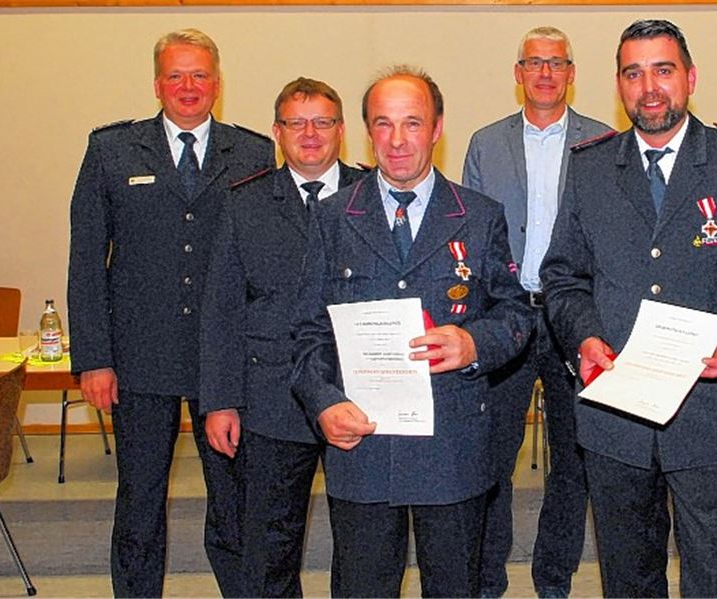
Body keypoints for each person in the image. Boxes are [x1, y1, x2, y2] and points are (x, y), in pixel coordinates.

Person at [540, 19, 717, 597]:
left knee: (714, 575)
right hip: (615, 417)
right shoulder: (589, 167)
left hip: (708, 415)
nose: (649, 87)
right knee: (628, 578)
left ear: (690, 78)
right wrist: (582, 337)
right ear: (618, 85)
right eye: (634, 73)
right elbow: (561, 277)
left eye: (663, 70)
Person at [290, 66, 532, 598]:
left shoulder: (479, 215)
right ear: (366, 132)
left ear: (437, 128)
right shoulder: (332, 218)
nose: (397, 141)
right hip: (363, 447)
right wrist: (323, 402)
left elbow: (516, 316)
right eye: (383, 125)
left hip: (452, 450)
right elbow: (308, 331)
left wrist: (473, 344)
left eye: (412, 124)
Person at [66, 28, 274, 597]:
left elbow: (266, 256)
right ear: (158, 84)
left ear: (218, 83)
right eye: (177, 75)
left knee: (234, 500)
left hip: (224, 362)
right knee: (139, 501)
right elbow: (86, 261)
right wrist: (94, 358)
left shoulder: (253, 153)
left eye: (200, 74)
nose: (189, 86)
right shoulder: (111, 150)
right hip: (139, 361)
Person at [461, 26, 613, 598]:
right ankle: (487, 578)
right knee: (492, 457)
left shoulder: (602, 141)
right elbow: (473, 240)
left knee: (575, 461)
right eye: (533, 63)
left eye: (556, 63)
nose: (545, 73)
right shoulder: (485, 143)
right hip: (508, 319)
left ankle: (555, 578)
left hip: (576, 320)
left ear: (572, 73)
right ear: (518, 73)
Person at [199, 77, 366, 597]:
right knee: (269, 549)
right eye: (296, 123)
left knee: (364, 546)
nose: (310, 134)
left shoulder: (374, 196)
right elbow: (220, 309)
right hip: (269, 400)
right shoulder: (242, 203)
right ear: (277, 132)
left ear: (342, 130)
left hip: (357, 396)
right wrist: (220, 402)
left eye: (322, 122)